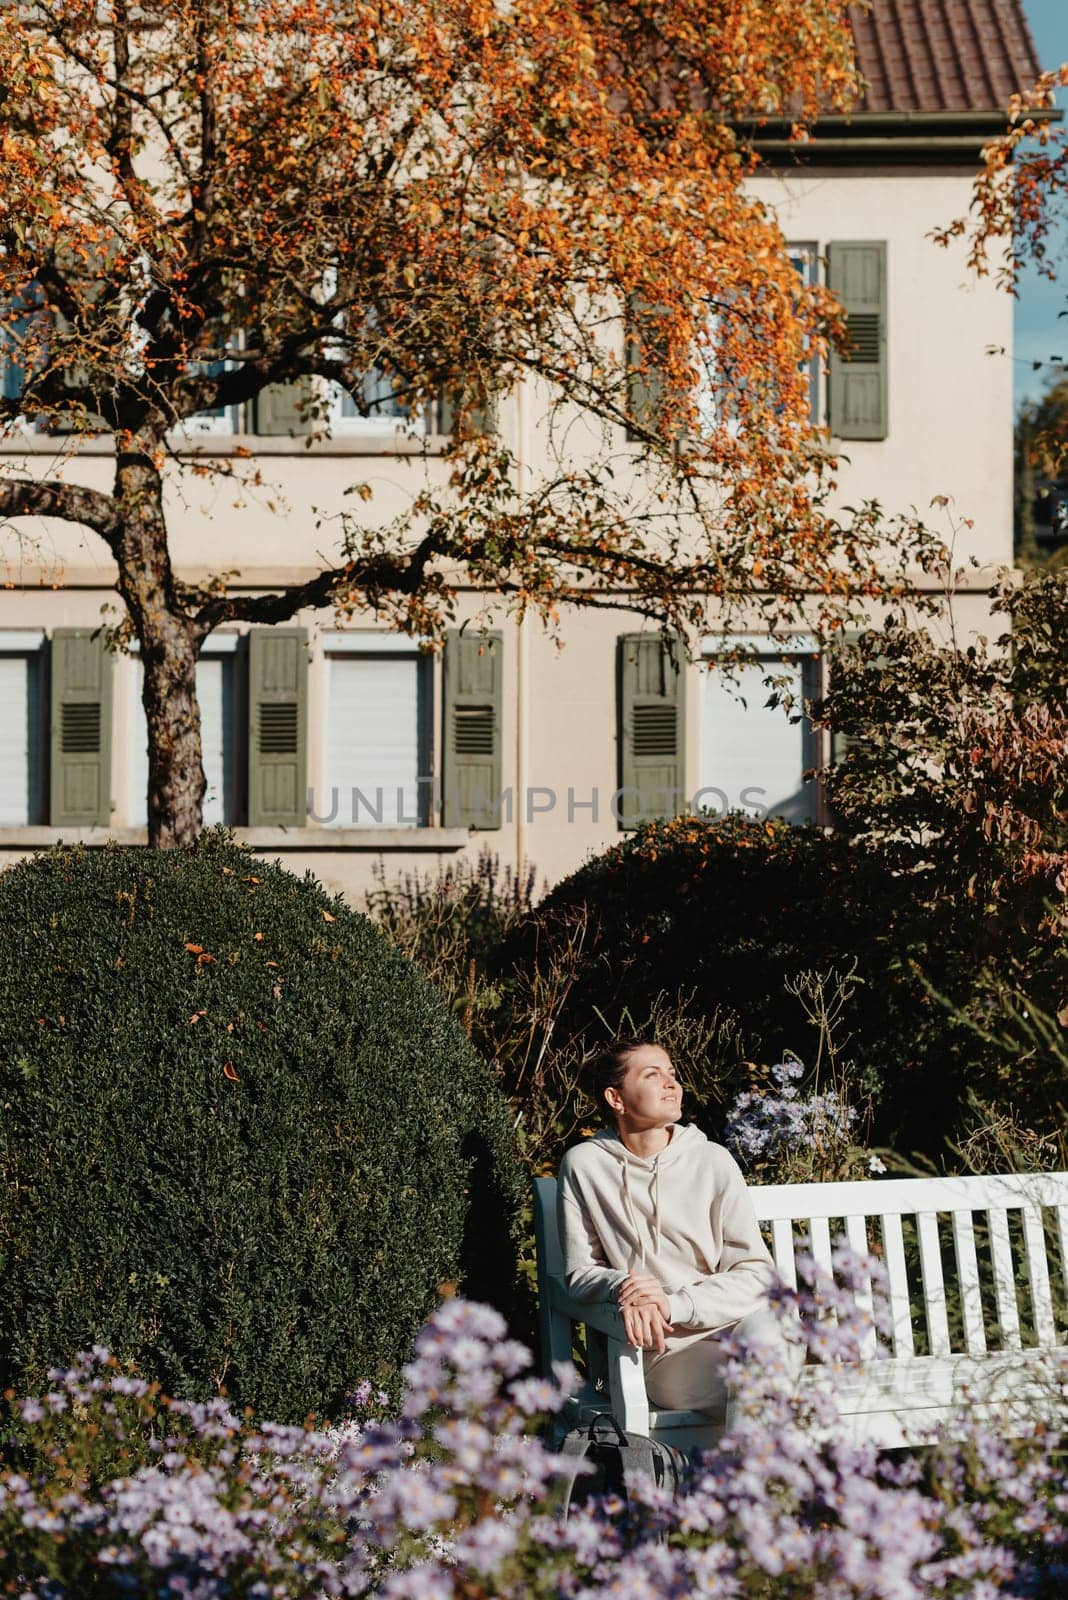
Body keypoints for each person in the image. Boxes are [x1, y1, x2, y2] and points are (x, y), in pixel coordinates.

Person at [556, 1037, 799, 1420]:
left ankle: (751, 1478)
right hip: (669, 1353)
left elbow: (757, 1275)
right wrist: (623, 1285)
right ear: (615, 1098)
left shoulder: (712, 1161)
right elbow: (580, 1273)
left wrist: (675, 1304)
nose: (673, 1084)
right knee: (764, 1385)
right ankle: (763, 1478)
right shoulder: (584, 1166)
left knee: (769, 1345)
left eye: (672, 1074)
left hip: (744, 1327)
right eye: (653, 1075)